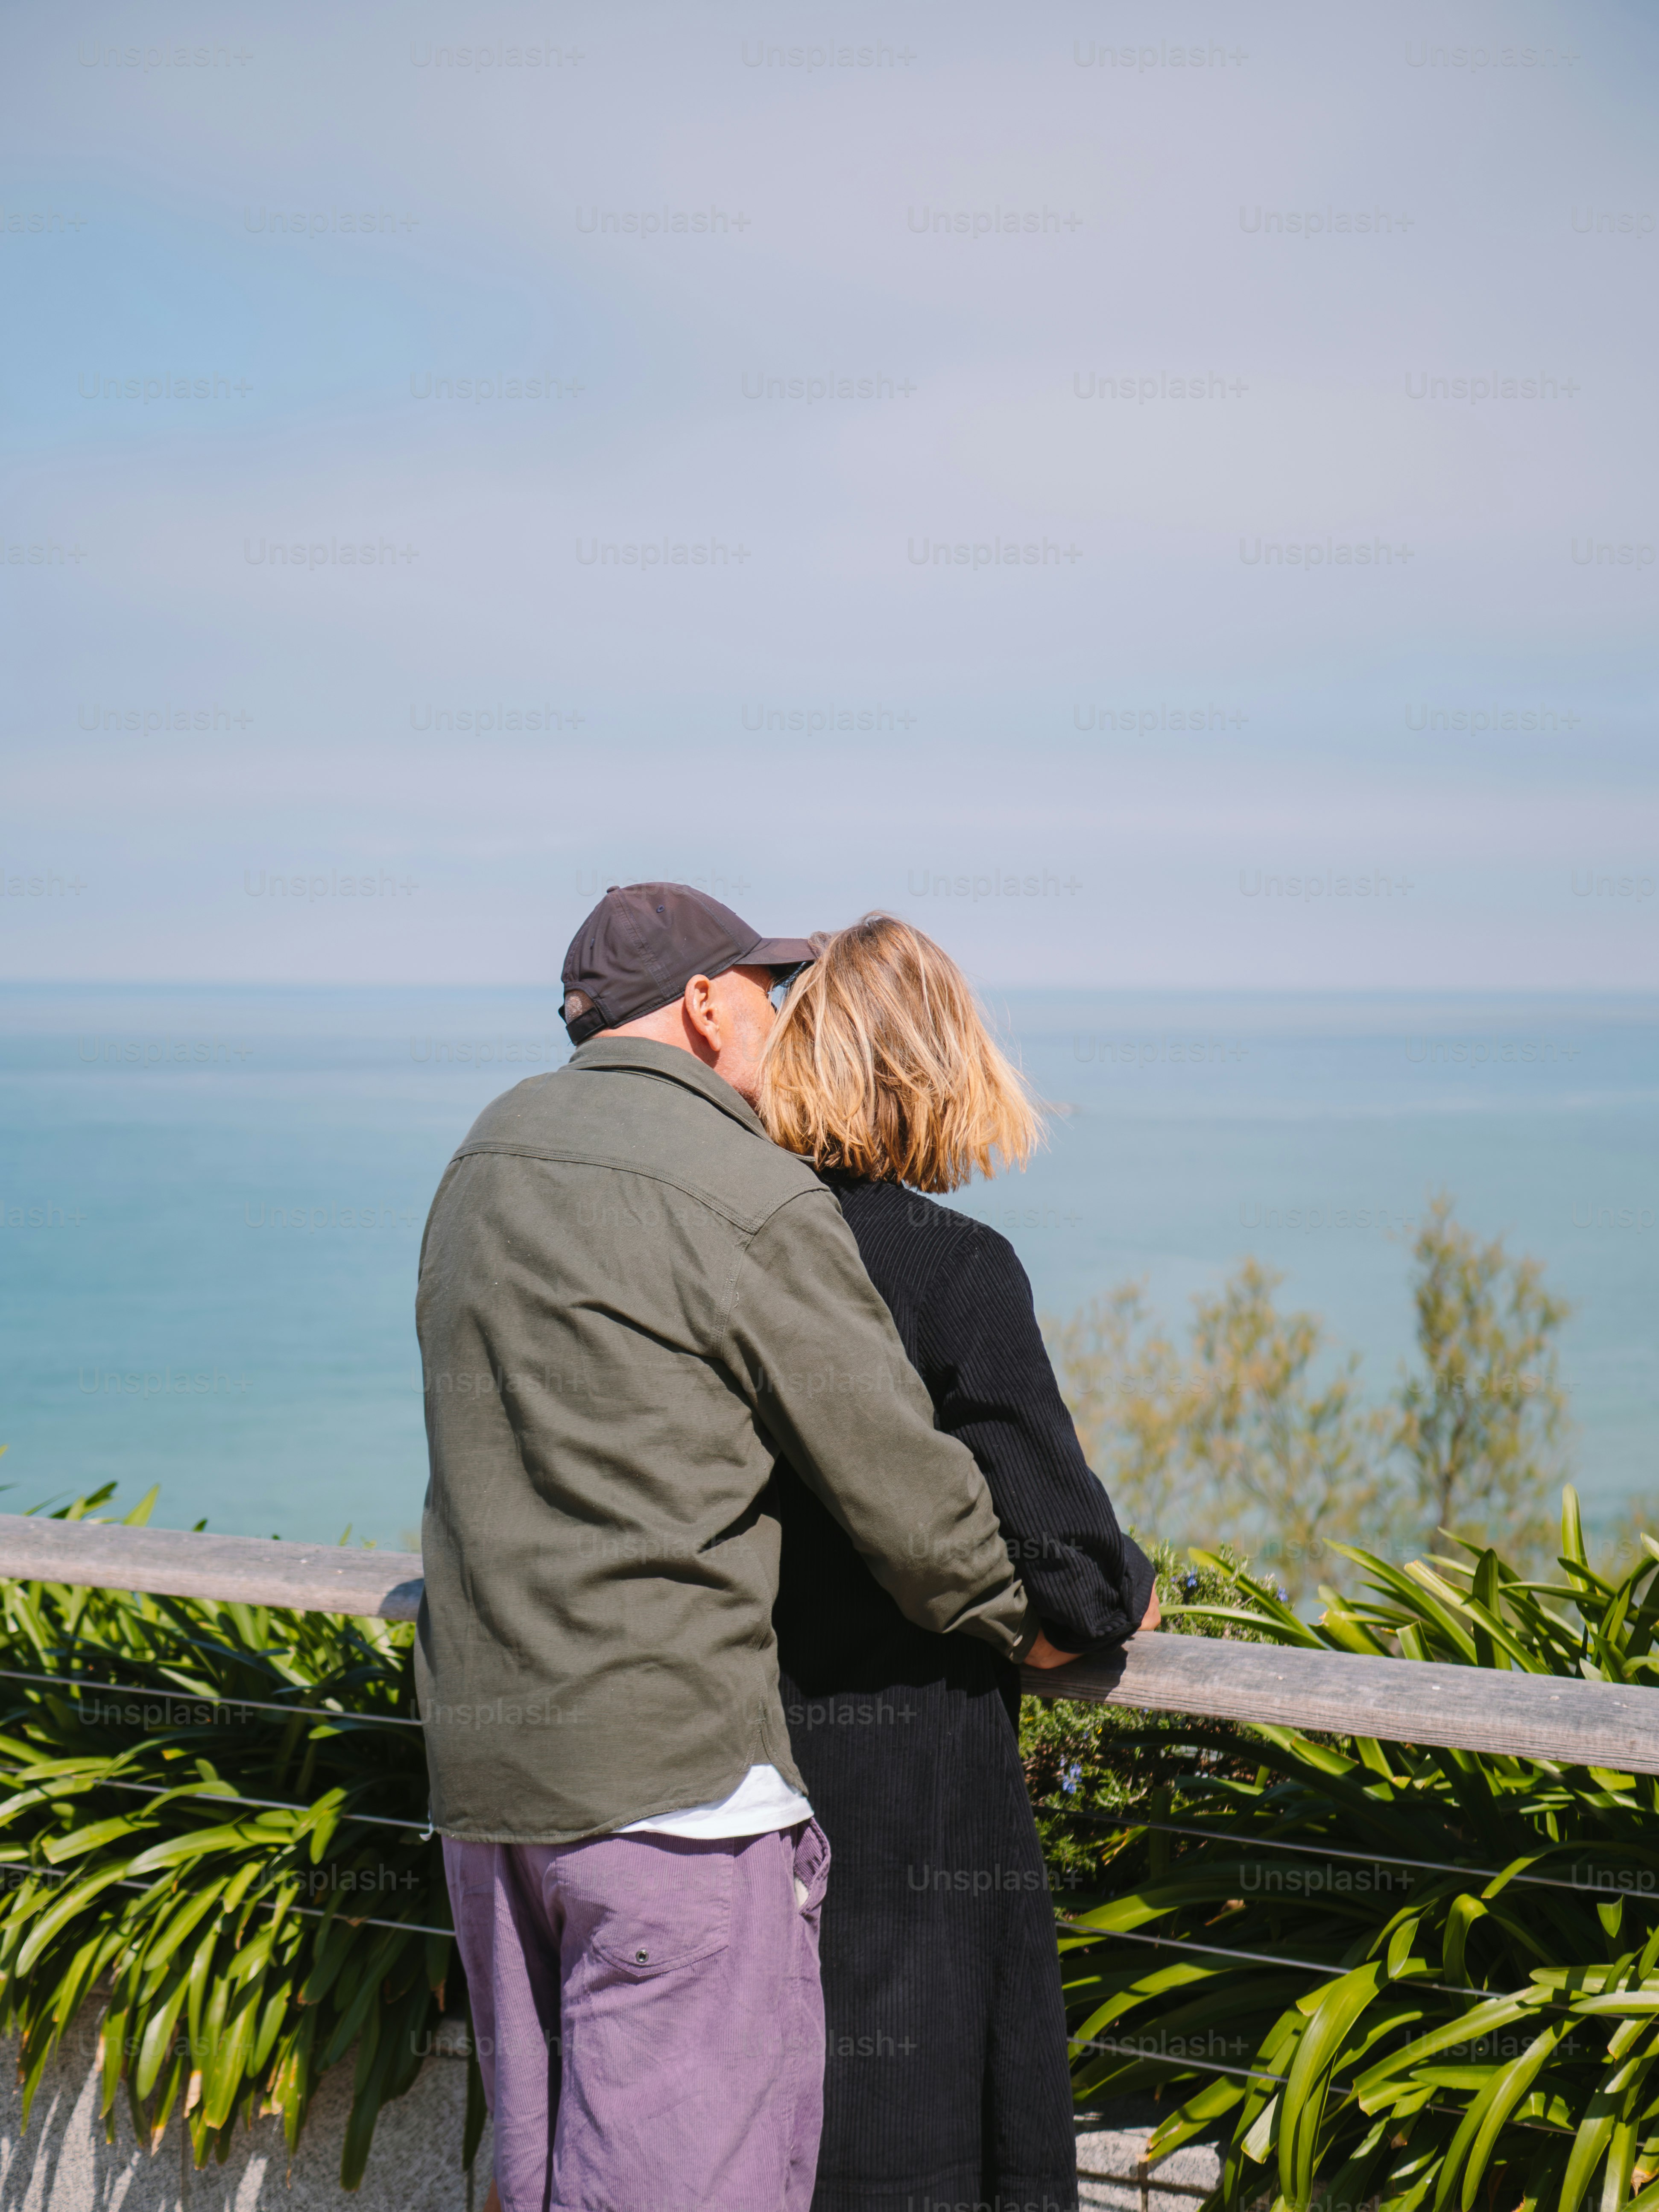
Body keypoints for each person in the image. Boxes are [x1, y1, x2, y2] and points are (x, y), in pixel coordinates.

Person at [414, 883, 1077, 2212]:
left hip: (491, 1791)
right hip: (672, 1798)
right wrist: (1048, 1619)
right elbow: (918, 1509)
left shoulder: (485, 1156)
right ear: (708, 1002)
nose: (782, 1023)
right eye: (768, 995)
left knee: (537, 2184)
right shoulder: (741, 1189)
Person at [757, 914, 1159, 2212]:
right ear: (938, 1068)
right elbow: (1080, 1578)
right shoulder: (956, 1271)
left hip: (739, 1779)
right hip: (916, 1804)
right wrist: (1136, 1578)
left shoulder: (729, 1257)